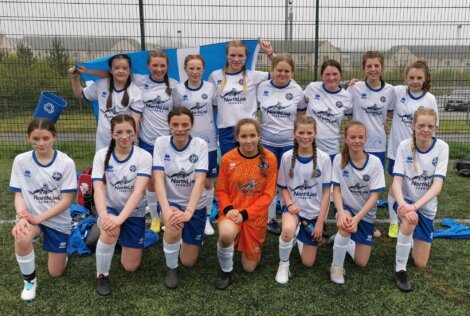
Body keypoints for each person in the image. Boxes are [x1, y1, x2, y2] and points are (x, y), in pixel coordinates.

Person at [9, 118, 77, 301]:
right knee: (21, 235)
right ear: (28, 138)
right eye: (36, 138)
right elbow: (19, 195)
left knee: (55, 272)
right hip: (31, 218)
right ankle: (30, 282)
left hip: (57, 220)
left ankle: (63, 253)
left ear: (54, 137)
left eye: (45, 138)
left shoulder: (66, 163)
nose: (41, 143)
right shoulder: (20, 161)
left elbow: (66, 201)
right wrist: (22, 217)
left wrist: (39, 218)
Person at [91, 114, 152, 296]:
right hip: (109, 210)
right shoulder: (101, 155)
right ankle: (102, 275)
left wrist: (121, 219)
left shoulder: (144, 156)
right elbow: (99, 189)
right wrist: (104, 217)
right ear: (111, 134)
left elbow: (139, 192)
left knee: (130, 267)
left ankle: (113, 239)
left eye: (128, 132)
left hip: (133, 212)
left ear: (135, 133)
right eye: (119, 132)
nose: (124, 136)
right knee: (110, 231)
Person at [214, 118, 277, 290]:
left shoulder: (270, 159)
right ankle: (226, 272)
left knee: (249, 268)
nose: (248, 140)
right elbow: (221, 190)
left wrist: (245, 214)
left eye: (252, 135)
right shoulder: (228, 159)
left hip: (253, 217)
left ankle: (246, 240)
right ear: (237, 137)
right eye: (244, 136)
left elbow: (268, 194)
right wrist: (229, 210)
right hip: (232, 213)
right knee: (225, 234)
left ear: (259, 136)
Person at [391, 107, 448, 292]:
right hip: (405, 202)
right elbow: (396, 182)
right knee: (409, 219)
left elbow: (437, 186)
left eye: (430, 126)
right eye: (421, 125)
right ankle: (399, 270)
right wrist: (404, 206)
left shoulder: (442, 147)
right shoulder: (404, 146)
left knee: (421, 263)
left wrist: (415, 206)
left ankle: (407, 238)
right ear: (413, 125)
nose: (425, 129)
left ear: (435, 127)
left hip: (425, 208)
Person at [152, 106, 208, 289]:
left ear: (192, 125)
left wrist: (190, 211)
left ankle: (185, 238)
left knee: (189, 262)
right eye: (175, 124)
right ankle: (171, 268)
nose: (180, 129)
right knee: (174, 224)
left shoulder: (200, 145)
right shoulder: (160, 143)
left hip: (195, 206)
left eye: (185, 124)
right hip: (172, 203)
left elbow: (200, 182)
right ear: (169, 126)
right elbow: (158, 180)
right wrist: (166, 210)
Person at [275, 115, 331, 284]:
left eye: (309, 132)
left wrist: (320, 222)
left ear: (315, 134)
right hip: (293, 210)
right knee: (286, 232)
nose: (305, 137)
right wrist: (290, 204)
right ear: (294, 134)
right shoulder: (286, 157)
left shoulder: (324, 158)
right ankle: (284, 264)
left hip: (314, 214)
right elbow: (283, 187)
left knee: (308, 263)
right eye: (301, 132)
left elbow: (327, 193)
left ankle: (299, 236)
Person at [386, 60, 438, 238]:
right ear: (405, 78)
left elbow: (432, 125)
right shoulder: (398, 91)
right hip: (397, 150)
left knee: (418, 184)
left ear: (425, 79)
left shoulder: (430, 99)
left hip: (420, 152)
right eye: (411, 77)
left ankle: (417, 215)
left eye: (419, 78)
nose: (415, 81)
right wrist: (356, 82)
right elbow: (376, 89)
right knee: (395, 186)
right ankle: (394, 222)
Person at [329, 121, 385, 285]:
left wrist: (358, 218)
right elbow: (336, 190)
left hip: (365, 214)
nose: (357, 141)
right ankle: (336, 267)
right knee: (346, 223)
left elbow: (375, 196)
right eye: (352, 137)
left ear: (366, 139)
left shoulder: (374, 162)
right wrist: (340, 211)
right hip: (346, 207)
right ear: (345, 139)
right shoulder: (339, 159)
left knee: (361, 262)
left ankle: (343, 241)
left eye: (360, 137)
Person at [257, 54, 307, 236]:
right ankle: (270, 218)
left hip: (288, 144)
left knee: (289, 180)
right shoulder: (262, 87)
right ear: (272, 71)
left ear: (292, 72)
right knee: (268, 179)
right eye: (279, 70)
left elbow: (301, 114)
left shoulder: (297, 90)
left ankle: (291, 215)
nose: (282, 73)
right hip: (266, 143)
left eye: (287, 71)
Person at [133, 50, 179, 234]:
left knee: (170, 180)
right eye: (155, 65)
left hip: (169, 142)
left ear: (167, 66)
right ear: (148, 66)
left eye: (162, 65)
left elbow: (178, 113)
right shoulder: (140, 81)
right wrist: (87, 70)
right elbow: (113, 70)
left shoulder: (174, 85)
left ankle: (169, 213)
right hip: (147, 141)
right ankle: (154, 217)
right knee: (151, 181)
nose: (159, 69)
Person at [174, 54, 218, 236]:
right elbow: (176, 114)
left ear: (203, 69)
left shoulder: (210, 87)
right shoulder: (178, 90)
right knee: (187, 179)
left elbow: (214, 108)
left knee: (207, 182)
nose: (194, 72)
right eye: (191, 68)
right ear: (185, 69)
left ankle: (207, 218)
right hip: (186, 143)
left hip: (208, 143)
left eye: (198, 68)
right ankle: (186, 214)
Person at [209, 39, 275, 156]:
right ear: (226, 56)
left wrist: (270, 53)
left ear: (246, 57)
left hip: (249, 129)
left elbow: (281, 73)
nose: (236, 59)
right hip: (226, 130)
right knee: (230, 166)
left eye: (240, 55)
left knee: (250, 164)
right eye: (232, 55)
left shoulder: (253, 76)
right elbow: (213, 103)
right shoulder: (215, 76)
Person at [69, 54, 144, 151]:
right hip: (103, 144)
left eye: (125, 68)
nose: (121, 71)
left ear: (130, 71)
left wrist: (129, 143)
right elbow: (80, 94)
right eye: (116, 68)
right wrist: (75, 78)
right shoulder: (101, 84)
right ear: (110, 70)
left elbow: (134, 124)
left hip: (125, 144)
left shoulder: (135, 91)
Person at [304, 59, 353, 162]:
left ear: (341, 75)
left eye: (335, 74)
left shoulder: (347, 97)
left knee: (329, 178)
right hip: (308, 144)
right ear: (322, 76)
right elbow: (299, 105)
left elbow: (352, 121)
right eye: (327, 74)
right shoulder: (312, 88)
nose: (331, 78)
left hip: (331, 148)